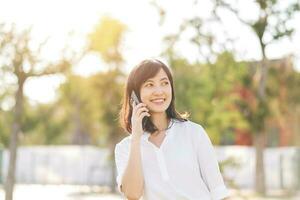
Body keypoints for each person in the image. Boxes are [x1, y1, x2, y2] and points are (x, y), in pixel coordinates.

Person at [115, 59, 230, 200]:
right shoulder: (125, 147)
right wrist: (136, 138)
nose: (159, 91)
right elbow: (133, 194)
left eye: (164, 83)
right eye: (149, 84)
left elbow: (218, 191)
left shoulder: (193, 133)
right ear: (135, 95)